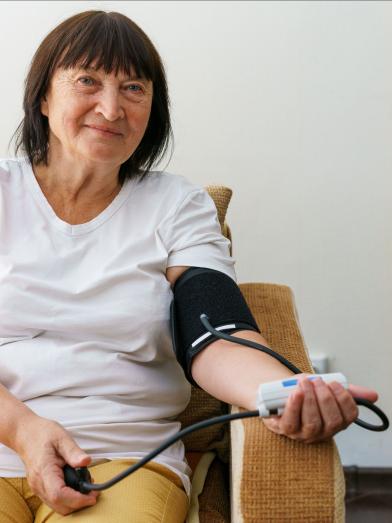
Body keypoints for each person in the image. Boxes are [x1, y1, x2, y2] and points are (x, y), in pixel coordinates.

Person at [0, 10, 378, 523]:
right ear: (44, 96)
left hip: (123, 459)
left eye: (133, 88)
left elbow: (217, 334)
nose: (110, 108)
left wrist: (286, 394)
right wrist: (23, 429)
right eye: (87, 80)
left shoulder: (177, 205)